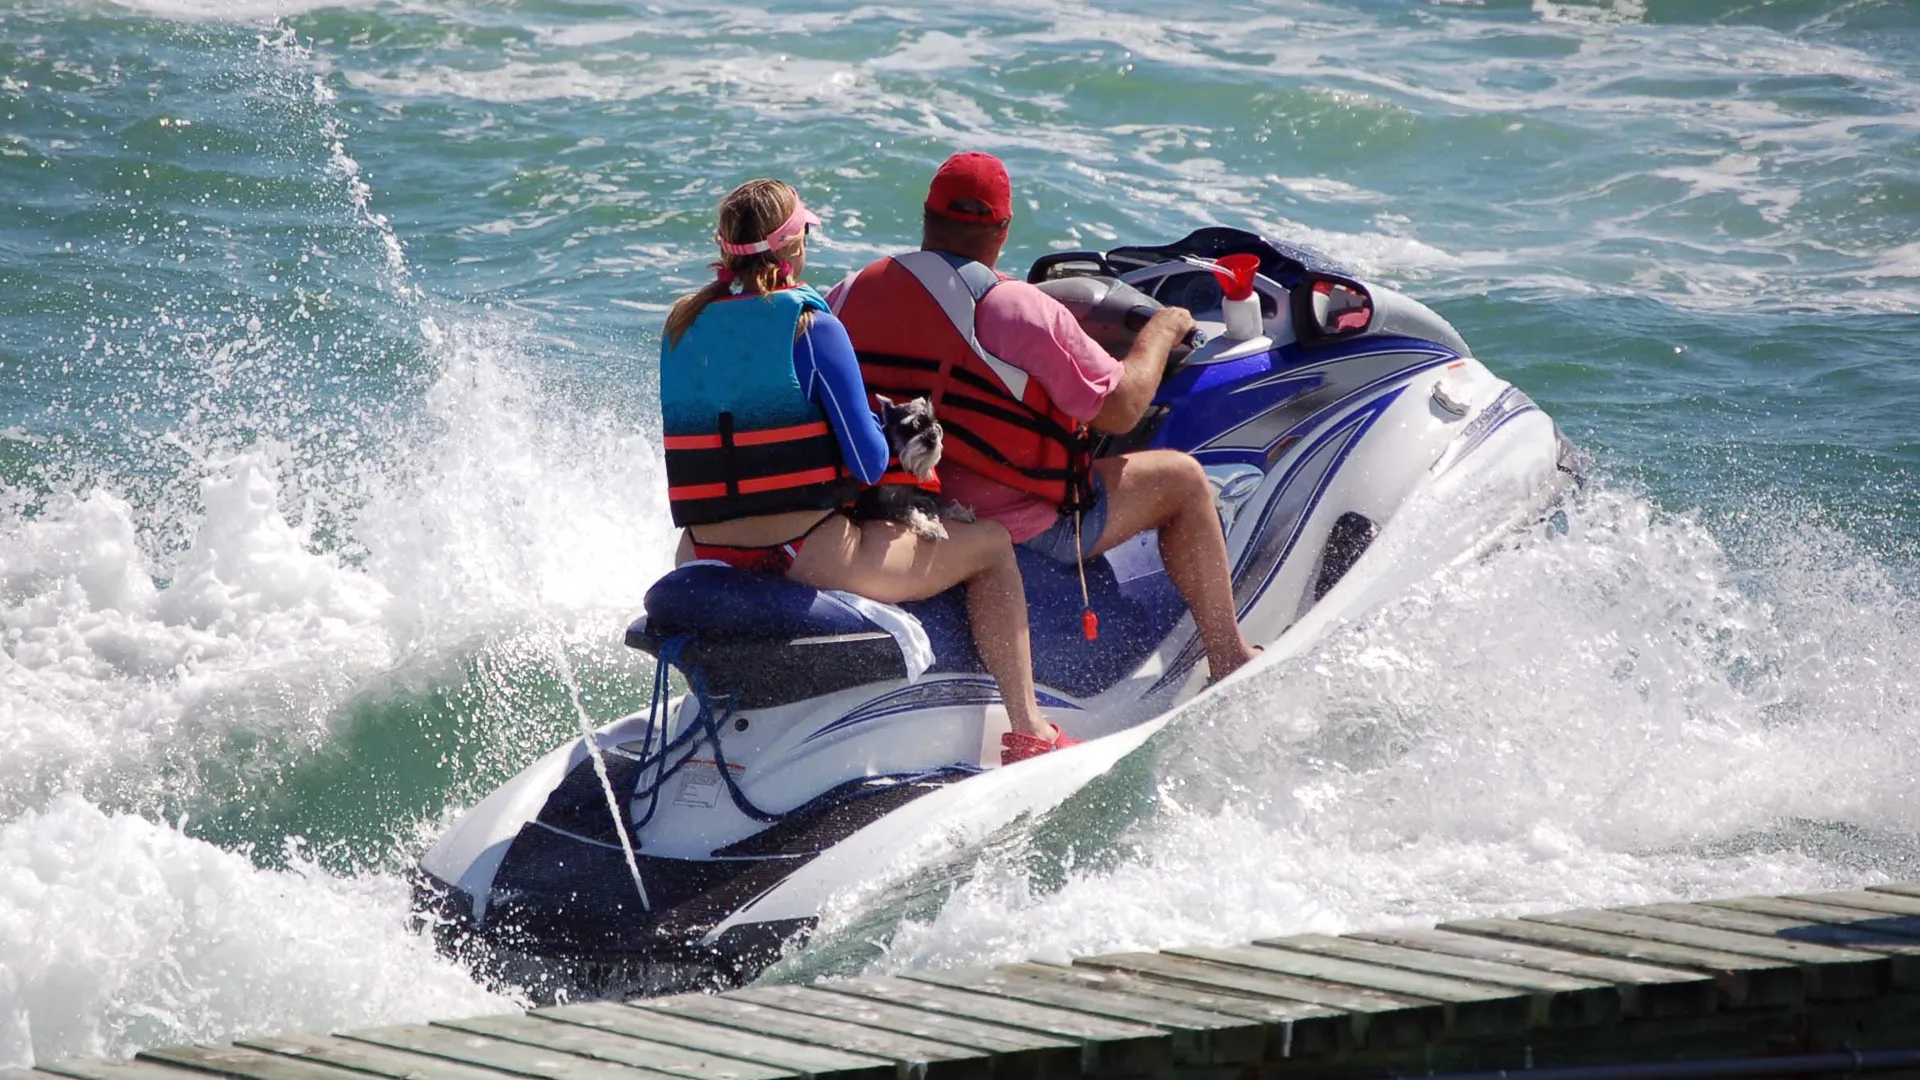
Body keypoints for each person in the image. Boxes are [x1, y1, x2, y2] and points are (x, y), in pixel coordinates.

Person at [660, 178, 1075, 764]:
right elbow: (869, 461)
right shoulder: (809, 325)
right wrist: (893, 424)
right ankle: (1029, 728)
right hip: (802, 553)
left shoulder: (682, 325)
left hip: (699, 554)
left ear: (725, 249)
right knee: (992, 547)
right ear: (793, 247)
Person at [831, 152, 1258, 681]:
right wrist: (1163, 330)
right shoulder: (1019, 310)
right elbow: (1122, 410)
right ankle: (1228, 655)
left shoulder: (848, 293)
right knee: (1184, 480)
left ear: (926, 215)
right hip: (1019, 524)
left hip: (891, 509)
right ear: (1003, 229)